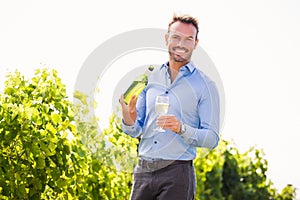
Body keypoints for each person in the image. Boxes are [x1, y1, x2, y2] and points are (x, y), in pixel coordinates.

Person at [119, 14, 220, 200]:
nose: (181, 43)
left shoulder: (206, 85)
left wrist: (181, 129)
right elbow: (135, 129)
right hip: (143, 170)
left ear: (196, 43)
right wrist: (128, 119)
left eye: (188, 39)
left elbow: (212, 138)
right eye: (176, 37)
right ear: (166, 39)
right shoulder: (149, 77)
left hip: (178, 173)